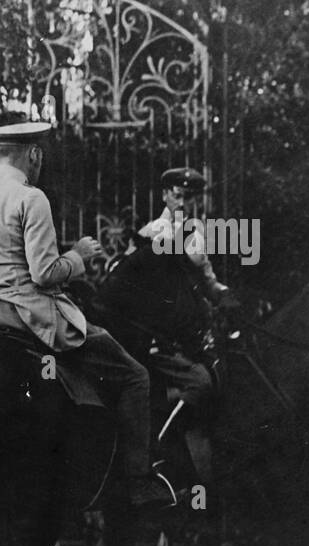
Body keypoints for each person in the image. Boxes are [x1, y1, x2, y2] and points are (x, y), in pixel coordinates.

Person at [0, 121, 175, 508]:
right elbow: (44, 274)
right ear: (33, 154)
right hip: (31, 316)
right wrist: (78, 256)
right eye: (39, 155)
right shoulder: (31, 198)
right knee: (134, 376)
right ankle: (137, 481)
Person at [134, 166, 232, 306]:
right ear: (164, 195)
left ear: (195, 201)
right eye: (177, 196)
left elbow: (206, 279)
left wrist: (220, 291)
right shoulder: (147, 233)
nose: (181, 203)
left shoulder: (196, 237)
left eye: (187, 197)